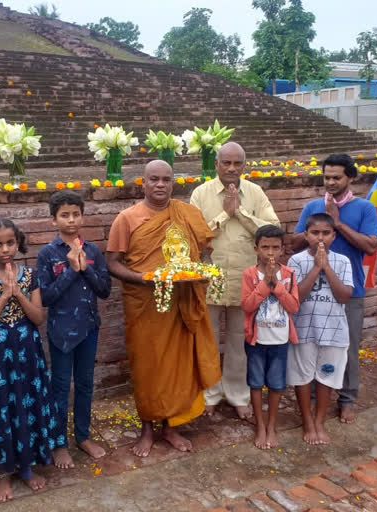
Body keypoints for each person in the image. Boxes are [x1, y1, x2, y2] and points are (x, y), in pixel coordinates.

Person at [105, 159, 221, 457]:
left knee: (180, 366)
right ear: (143, 183)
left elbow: (203, 255)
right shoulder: (127, 219)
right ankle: (147, 427)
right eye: (154, 179)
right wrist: (144, 278)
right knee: (148, 366)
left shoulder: (187, 214)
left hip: (181, 302)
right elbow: (112, 264)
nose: (160, 185)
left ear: (174, 183)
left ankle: (172, 426)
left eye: (166, 179)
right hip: (145, 305)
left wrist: (202, 272)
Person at [0, 218, 61, 502]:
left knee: (27, 405)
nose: (5, 249)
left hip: (27, 354)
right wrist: (3, 296)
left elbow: (38, 318)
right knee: (0, 409)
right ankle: (3, 474)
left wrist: (18, 293)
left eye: (10, 243)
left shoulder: (30, 276)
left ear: (18, 243)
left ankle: (28, 467)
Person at [190, 142, 280, 421]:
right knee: (209, 340)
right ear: (216, 164)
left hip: (247, 279)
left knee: (240, 342)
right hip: (210, 279)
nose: (231, 169)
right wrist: (224, 215)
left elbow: (271, 231)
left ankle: (238, 395)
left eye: (236, 163)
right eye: (226, 163)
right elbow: (195, 236)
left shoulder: (255, 193)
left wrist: (240, 212)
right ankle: (210, 394)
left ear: (244, 165)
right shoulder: (200, 194)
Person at [293, 153, 377, 424]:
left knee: (347, 346)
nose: (330, 182)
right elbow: (295, 241)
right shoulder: (312, 207)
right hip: (311, 291)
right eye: (326, 177)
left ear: (350, 177)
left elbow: (370, 246)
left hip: (347, 291)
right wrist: (315, 232)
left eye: (336, 177)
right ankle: (317, 398)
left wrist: (337, 223)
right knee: (312, 345)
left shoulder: (363, 208)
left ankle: (348, 399)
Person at [36, 191, 112, 468]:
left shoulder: (92, 251)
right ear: (53, 220)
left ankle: (83, 435)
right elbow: (44, 297)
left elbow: (105, 290)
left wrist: (85, 268)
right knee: (59, 387)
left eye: (76, 214)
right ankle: (58, 443)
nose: (71, 220)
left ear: (82, 216)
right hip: (61, 331)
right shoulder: (48, 254)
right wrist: (70, 270)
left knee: (85, 384)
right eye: (64, 215)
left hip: (89, 328)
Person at [287, 213, 353, 445]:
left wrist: (327, 268)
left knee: (327, 376)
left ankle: (319, 420)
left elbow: (345, 296)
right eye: (315, 233)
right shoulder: (296, 261)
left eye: (326, 233)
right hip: (304, 329)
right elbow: (296, 296)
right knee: (303, 376)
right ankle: (307, 420)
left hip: (334, 332)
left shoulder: (343, 261)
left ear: (334, 236)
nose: (320, 238)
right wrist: (316, 268)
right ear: (306, 235)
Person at [240, 225, 300, 449]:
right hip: (256, 340)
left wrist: (277, 286)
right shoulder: (249, 274)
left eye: (275, 247)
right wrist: (265, 284)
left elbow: (293, 307)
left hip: (280, 340)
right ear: (256, 249)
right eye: (265, 247)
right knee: (255, 384)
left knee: (276, 385)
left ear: (283, 249)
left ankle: (272, 425)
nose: (270, 253)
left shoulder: (289, 275)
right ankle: (260, 426)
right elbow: (246, 305)